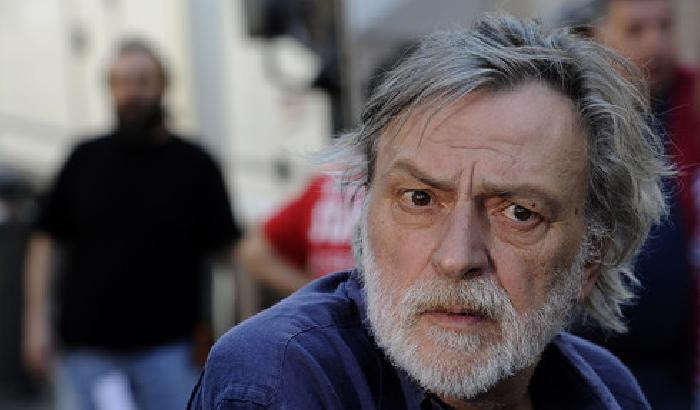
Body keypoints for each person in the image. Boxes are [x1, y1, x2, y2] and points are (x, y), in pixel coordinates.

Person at [189, 15, 669, 410]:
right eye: (419, 199)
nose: (456, 258)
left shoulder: (608, 389)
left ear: (590, 258)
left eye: (519, 213)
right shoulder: (281, 378)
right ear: (365, 212)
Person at [22, 40, 242, 410]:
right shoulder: (83, 159)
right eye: (121, 83)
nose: (132, 93)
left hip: (171, 353)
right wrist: (35, 322)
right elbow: (46, 242)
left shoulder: (196, 165)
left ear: (163, 85)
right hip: (86, 354)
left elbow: (233, 253)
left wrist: (243, 332)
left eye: (142, 81)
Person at [557, 1, 700, 407]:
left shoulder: (691, 107)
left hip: (675, 373)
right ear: (593, 37)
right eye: (636, 30)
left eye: (665, 27)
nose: (656, 44)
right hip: (586, 362)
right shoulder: (565, 117)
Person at [237, 172, 361, 297]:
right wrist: (312, 293)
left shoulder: (327, 182)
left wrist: (312, 293)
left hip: (333, 300)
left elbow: (254, 251)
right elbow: (255, 252)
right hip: (346, 301)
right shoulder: (327, 183)